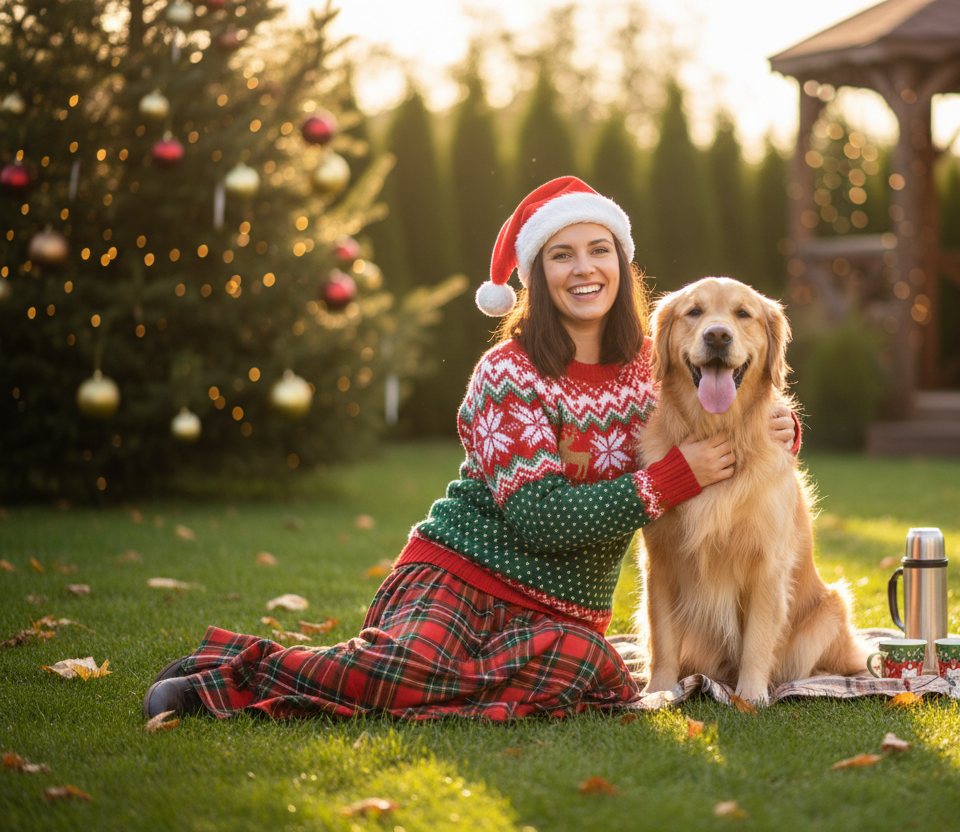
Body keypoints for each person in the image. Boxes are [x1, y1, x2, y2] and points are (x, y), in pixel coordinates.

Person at [142, 176, 796, 722]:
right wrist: (669, 480)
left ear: (622, 267)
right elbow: (540, 516)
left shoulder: (652, 372)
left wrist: (782, 430)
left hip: (561, 614)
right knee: (410, 667)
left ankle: (424, 679)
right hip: (461, 574)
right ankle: (229, 673)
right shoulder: (507, 375)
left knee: (590, 673)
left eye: (600, 249)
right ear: (538, 273)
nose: (584, 268)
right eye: (561, 254)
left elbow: (738, 405)